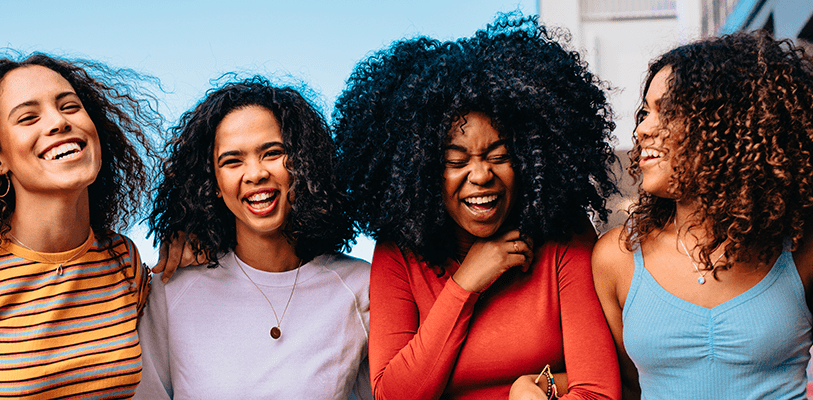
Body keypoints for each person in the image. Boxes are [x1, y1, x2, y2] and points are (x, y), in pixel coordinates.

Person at [332, 14, 621, 400]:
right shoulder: (398, 254)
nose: (481, 175)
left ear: (529, 159)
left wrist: (536, 389)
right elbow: (393, 396)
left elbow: (599, 392)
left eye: (499, 156)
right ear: (420, 171)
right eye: (456, 161)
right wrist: (465, 284)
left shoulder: (563, 237)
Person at [592, 31, 813, 399]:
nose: (643, 129)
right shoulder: (617, 258)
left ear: (731, 125)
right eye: (645, 111)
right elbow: (622, 388)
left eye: (669, 111)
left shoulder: (800, 248)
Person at [136, 76, 371, 399]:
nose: (256, 173)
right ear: (214, 183)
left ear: (303, 163)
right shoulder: (169, 290)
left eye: (272, 153)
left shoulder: (360, 286)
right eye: (232, 161)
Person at [0, 53, 156, 398]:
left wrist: (197, 238)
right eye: (28, 117)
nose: (57, 122)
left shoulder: (122, 260)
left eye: (70, 107)